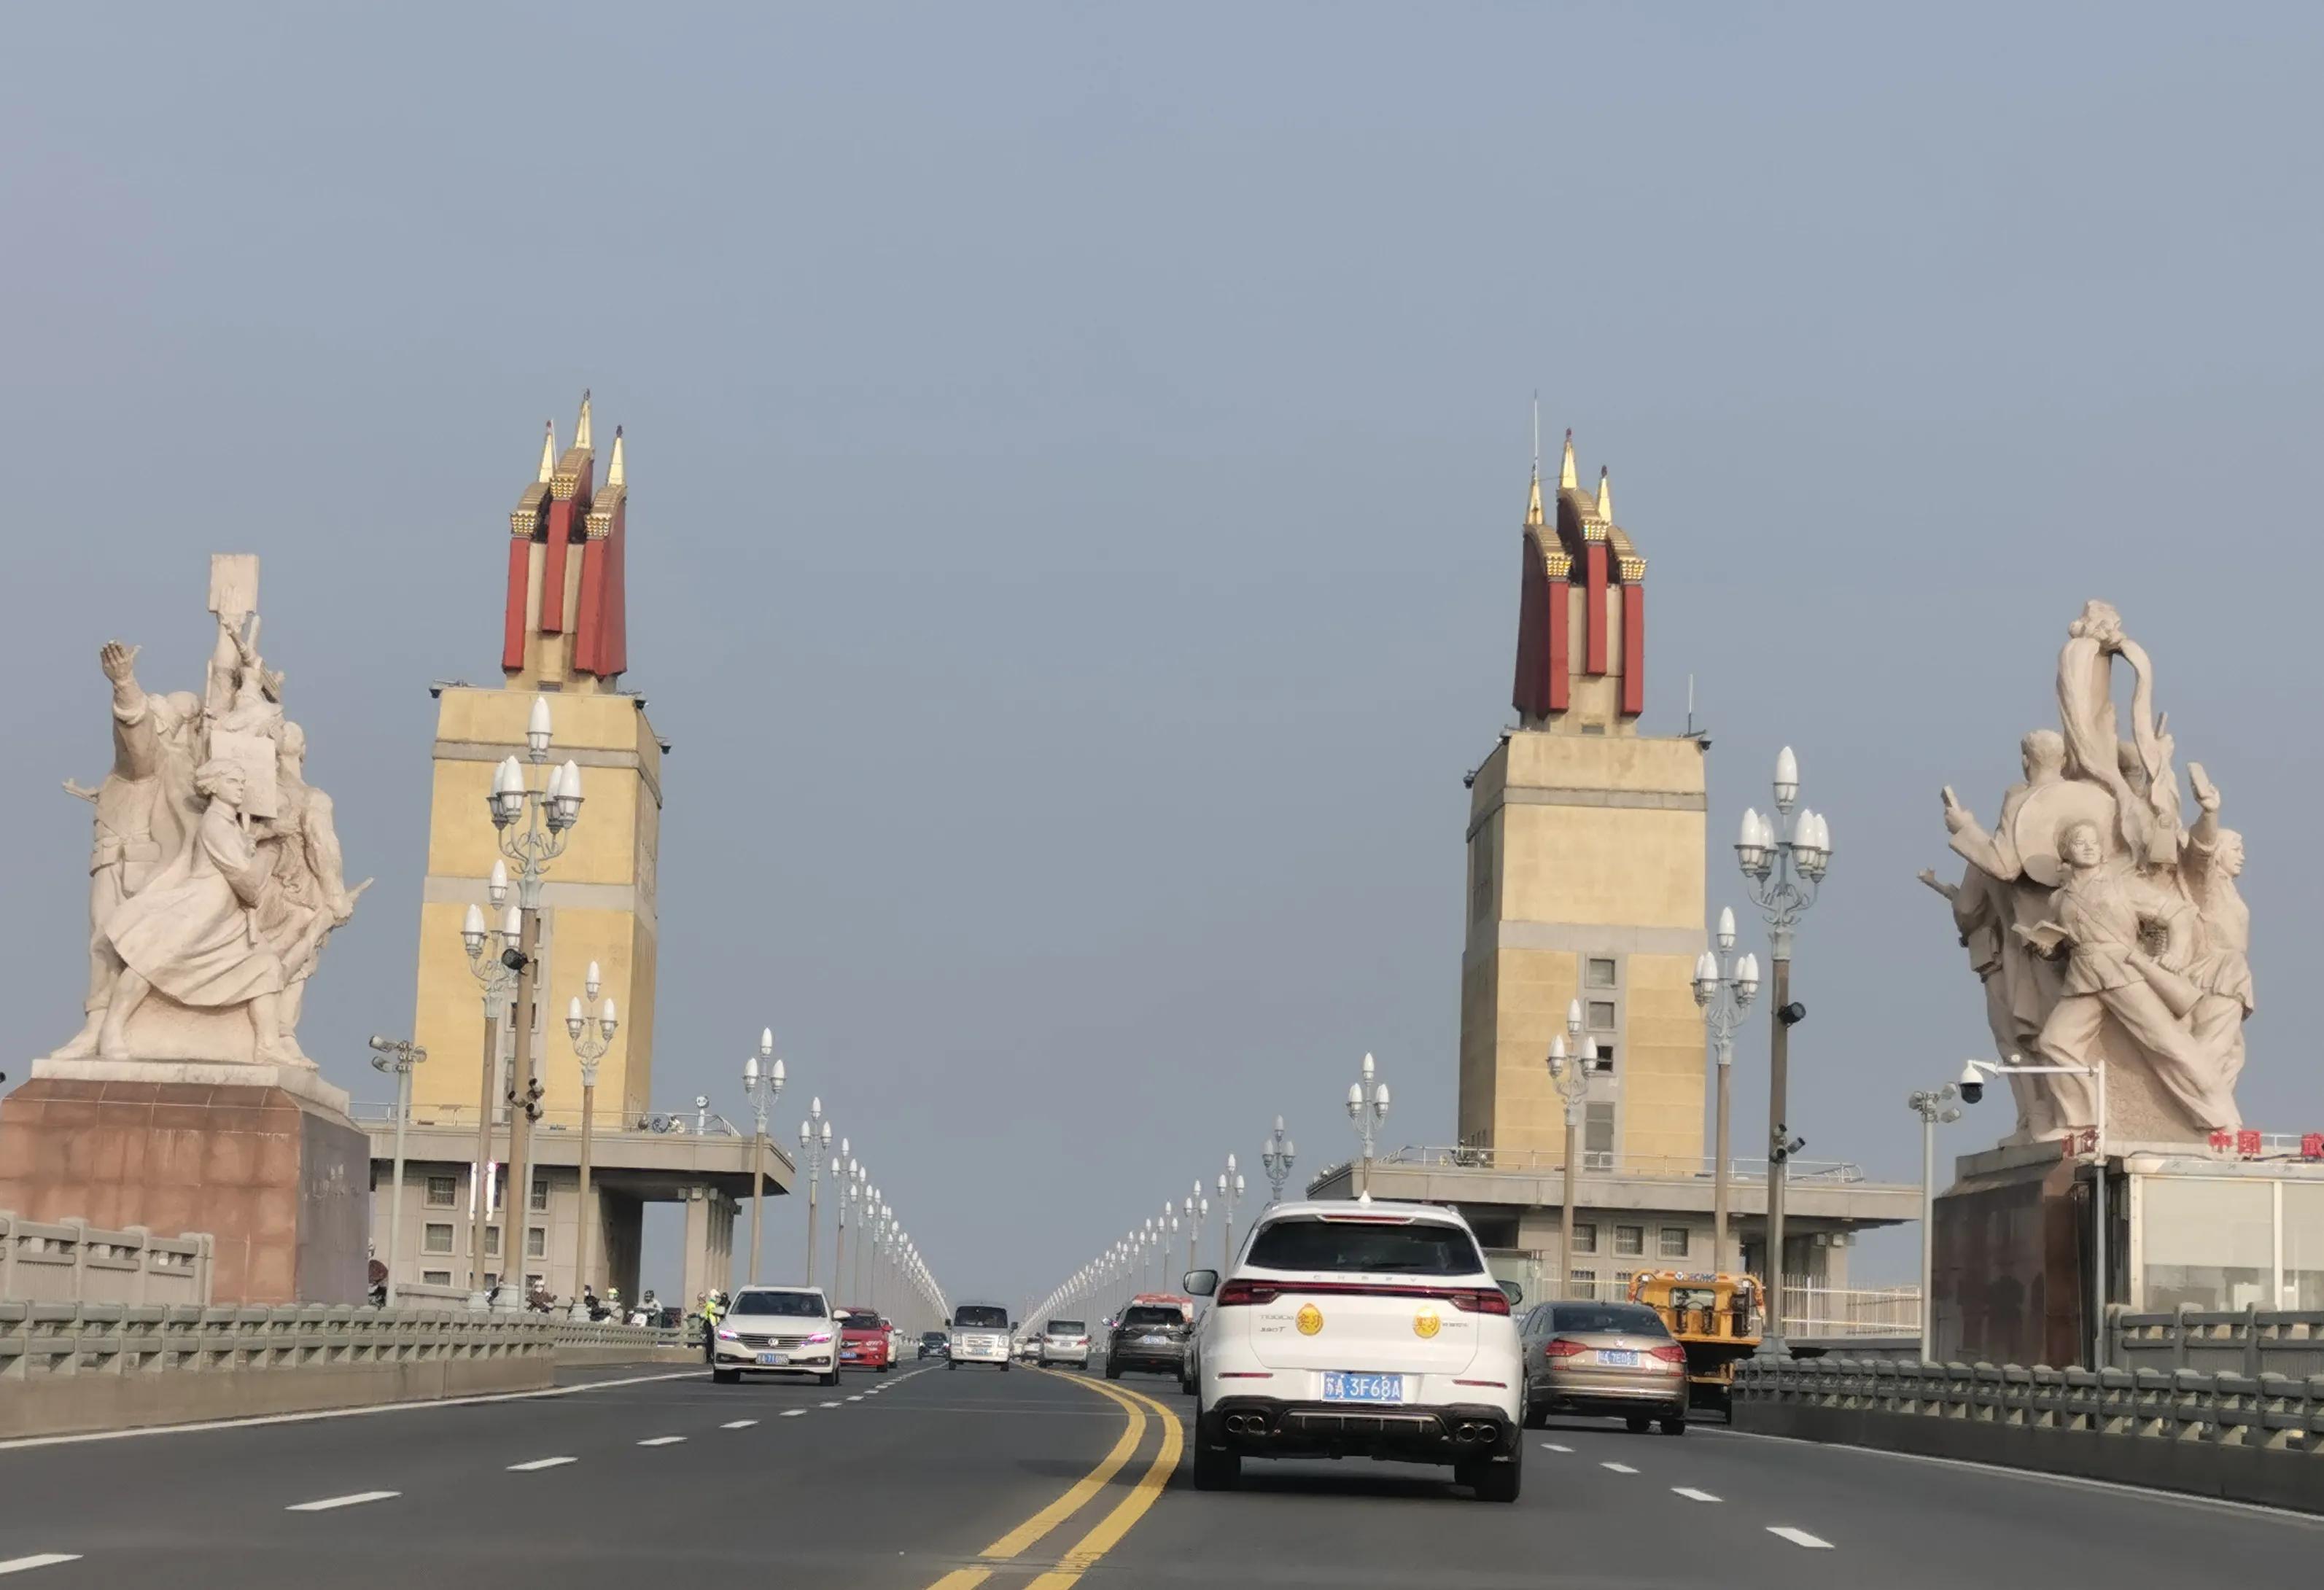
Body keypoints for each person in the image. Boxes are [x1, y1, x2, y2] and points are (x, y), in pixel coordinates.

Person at [98, 759, 292, 1062]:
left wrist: (254, 841)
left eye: (241, 782)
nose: (240, 788)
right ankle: (111, 1029)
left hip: (226, 917)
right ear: (213, 786)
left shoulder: (231, 827)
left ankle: (268, 1045)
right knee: (149, 961)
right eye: (232, 781)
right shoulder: (216, 825)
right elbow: (247, 883)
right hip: (200, 910)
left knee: (266, 966)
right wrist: (269, 854)